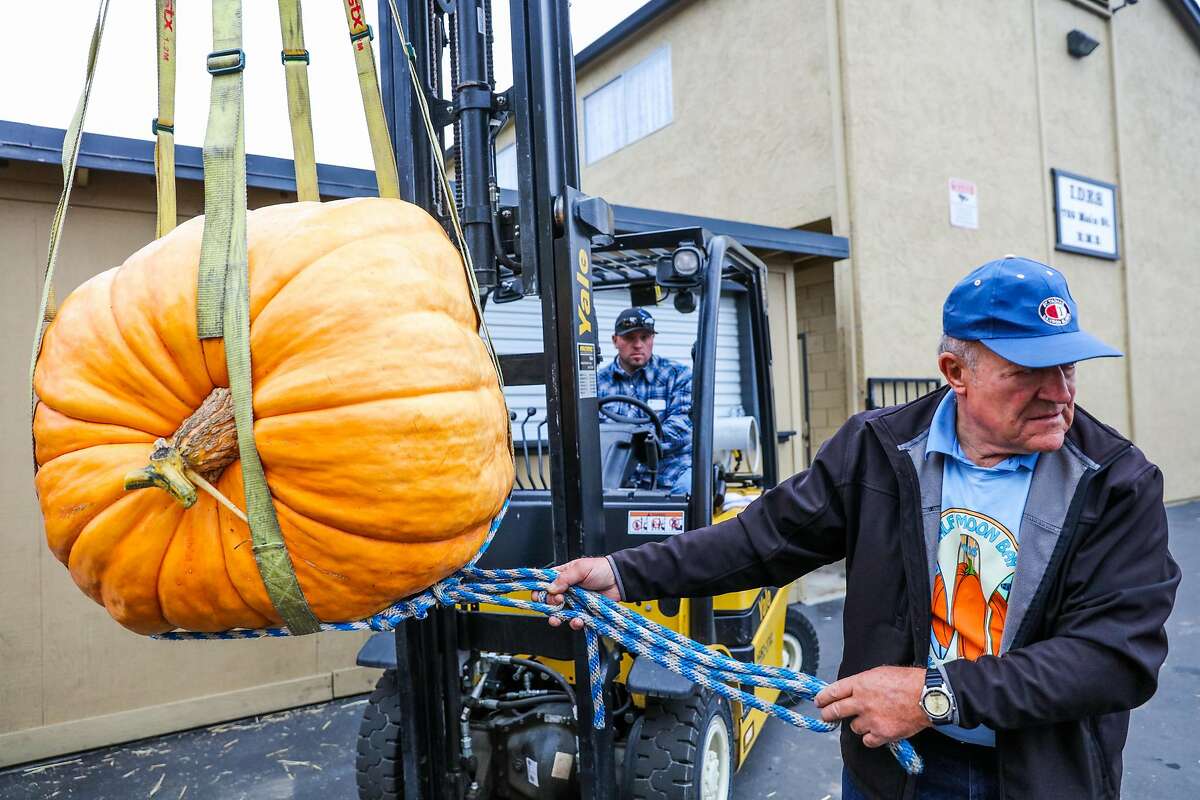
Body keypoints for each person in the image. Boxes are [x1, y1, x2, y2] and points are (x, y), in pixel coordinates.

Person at [546, 257, 1180, 799]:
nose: (1059, 392)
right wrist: (622, 572)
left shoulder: (1116, 483)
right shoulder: (879, 449)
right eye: (1026, 373)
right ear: (955, 373)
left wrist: (934, 696)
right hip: (894, 773)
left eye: (1068, 366)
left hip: (1042, 778)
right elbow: (761, 538)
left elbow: (1113, 659)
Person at [597, 307, 693, 494]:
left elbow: (683, 424)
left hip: (671, 470)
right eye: (630, 338)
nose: (638, 344)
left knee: (685, 491)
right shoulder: (596, 383)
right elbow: (589, 431)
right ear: (615, 340)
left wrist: (644, 444)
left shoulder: (677, 375)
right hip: (617, 476)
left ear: (652, 340)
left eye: (644, 337)